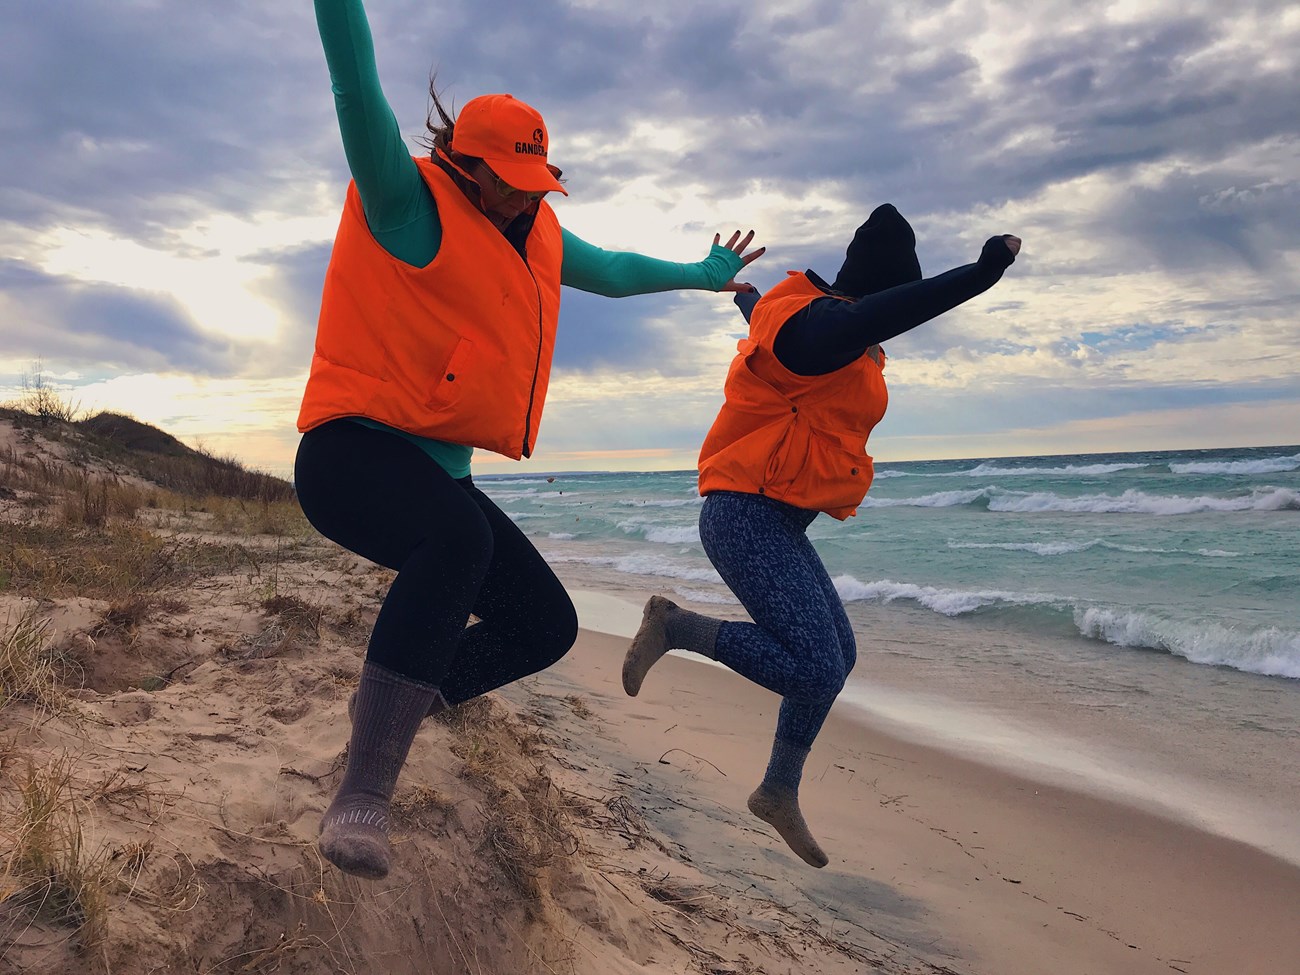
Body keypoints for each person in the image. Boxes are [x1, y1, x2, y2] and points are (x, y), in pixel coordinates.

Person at [294, 0, 764, 880]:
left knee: (545, 622)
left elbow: (616, 272)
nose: (522, 196)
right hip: (347, 454)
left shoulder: (535, 233)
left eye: (535, 182)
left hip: (433, 477)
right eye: (508, 179)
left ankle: (397, 704)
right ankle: (363, 792)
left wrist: (703, 276)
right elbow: (356, 84)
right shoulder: (406, 201)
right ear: (465, 164)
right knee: (459, 538)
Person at [623, 204, 1020, 867]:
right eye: (894, 295)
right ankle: (675, 627)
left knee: (840, 655)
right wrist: (982, 272)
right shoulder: (825, 328)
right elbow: (873, 317)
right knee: (814, 665)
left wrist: (742, 293)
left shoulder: (810, 321)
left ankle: (779, 788)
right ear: (882, 289)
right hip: (745, 515)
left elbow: (762, 317)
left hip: (767, 517)